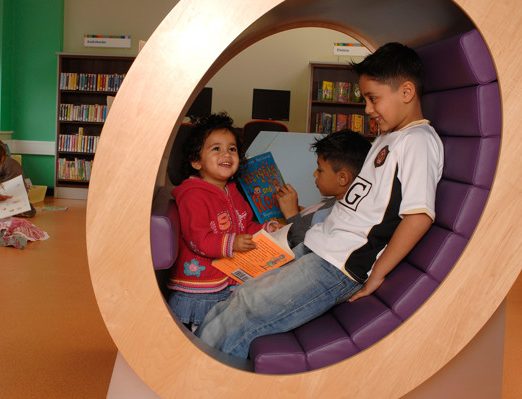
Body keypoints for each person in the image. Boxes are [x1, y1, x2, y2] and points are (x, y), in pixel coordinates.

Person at [195, 42, 444, 359]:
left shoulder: (419, 141)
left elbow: (419, 215)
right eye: (364, 99)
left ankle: (199, 375)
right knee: (240, 294)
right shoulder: (388, 136)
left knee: (250, 309)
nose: (367, 109)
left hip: (338, 265)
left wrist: (379, 271)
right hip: (321, 247)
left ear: (406, 92)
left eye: (373, 98)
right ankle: (191, 358)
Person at [167, 112, 279, 332]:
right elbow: (197, 239)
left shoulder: (232, 191)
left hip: (226, 283)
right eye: (216, 148)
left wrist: (266, 228)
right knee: (200, 341)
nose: (226, 154)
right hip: (200, 290)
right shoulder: (193, 195)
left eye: (232, 149)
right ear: (196, 161)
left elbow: (244, 226)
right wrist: (232, 243)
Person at [276, 129, 371, 247]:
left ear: (343, 178)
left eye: (320, 170)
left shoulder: (338, 214)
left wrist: (291, 214)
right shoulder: (331, 202)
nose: (314, 174)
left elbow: (308, 248)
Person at [0, 150, 36, 218]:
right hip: (21, 194)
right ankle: (21, 208)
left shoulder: (1, 163)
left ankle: (14, 209)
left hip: (7, 194)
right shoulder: (13, 161)